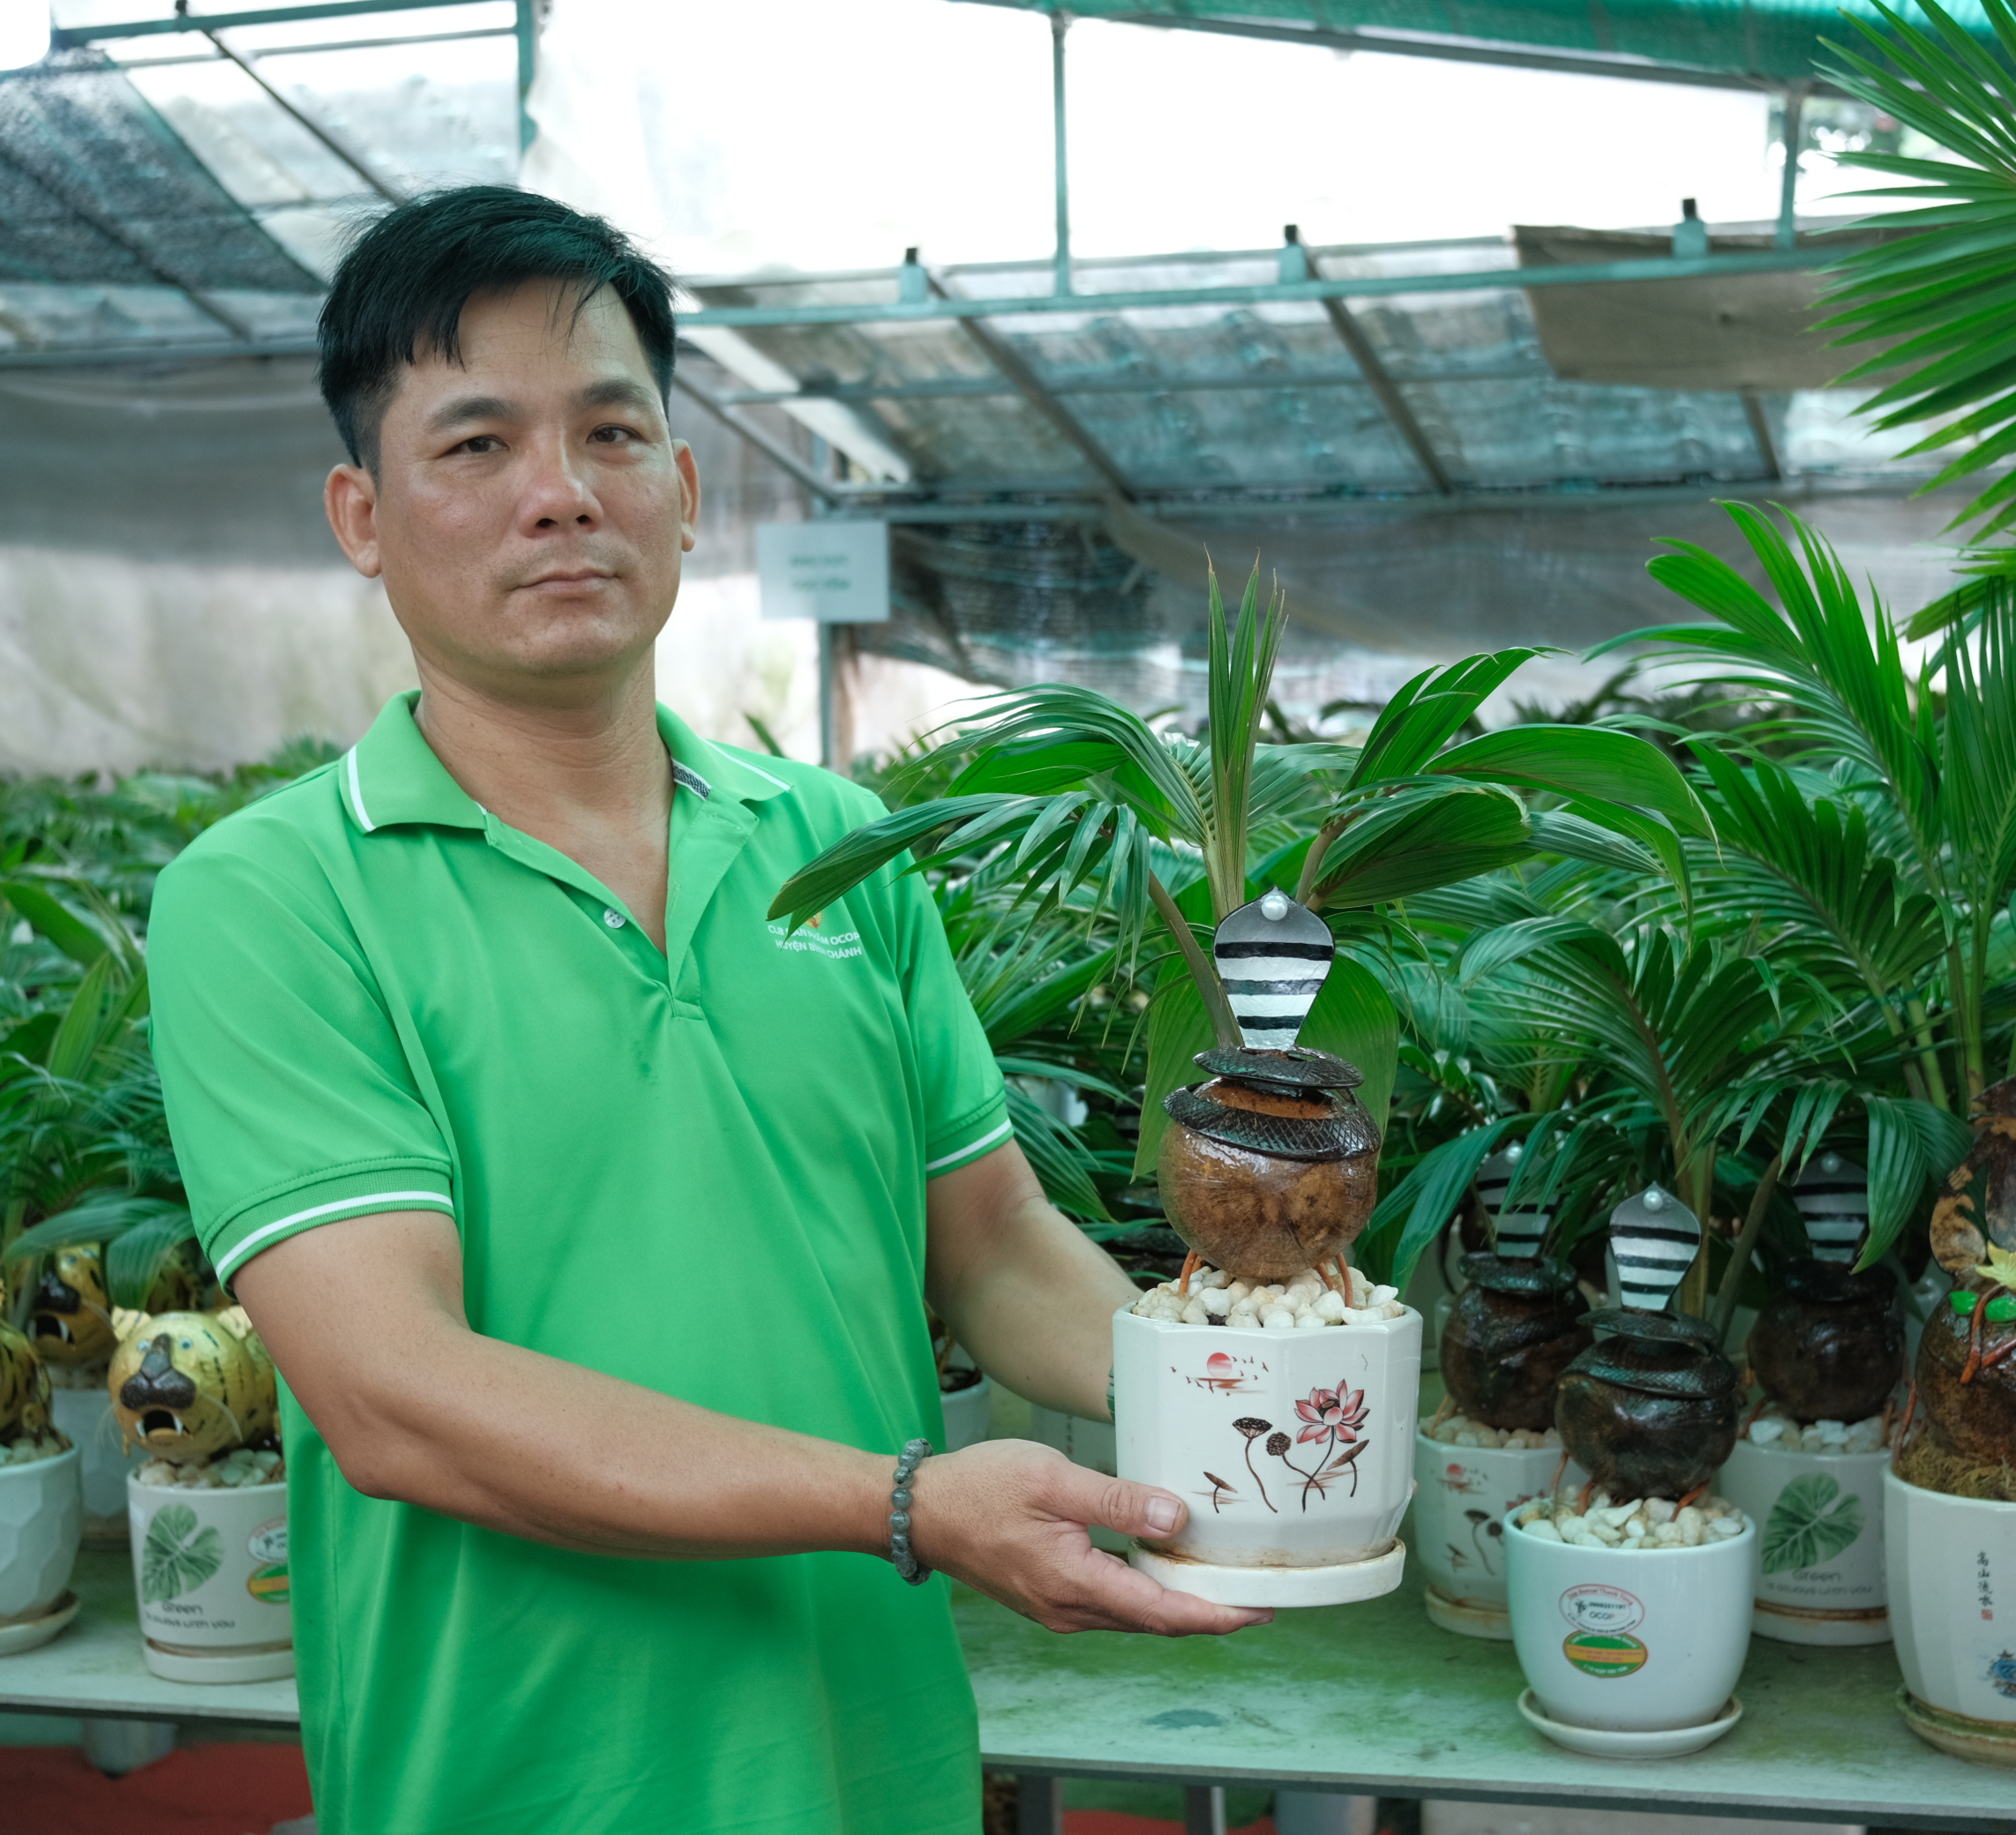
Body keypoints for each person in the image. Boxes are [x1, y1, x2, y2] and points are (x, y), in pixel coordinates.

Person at [145, 186, 1263, 1835]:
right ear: (361, 514)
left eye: (611, 432)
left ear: (680, 490)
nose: (558, 496)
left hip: (870, 1760)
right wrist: (905, 1504)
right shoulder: (279, 894)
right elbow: (395, 1397)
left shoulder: (832, 847)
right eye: (474, 447)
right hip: (516, 1780)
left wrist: (1269, 1403)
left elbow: (995, 1242)